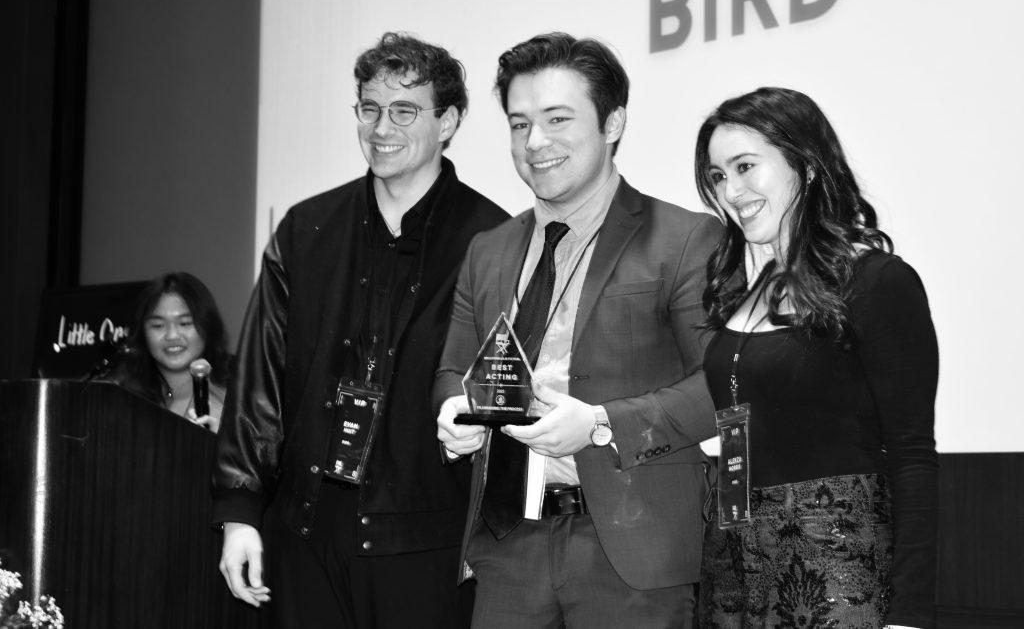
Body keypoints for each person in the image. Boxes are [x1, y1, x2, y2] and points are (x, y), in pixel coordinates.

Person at [211, 32, 508, 628]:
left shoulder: (493, 240)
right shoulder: (308, 229)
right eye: (369, 108)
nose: (381, 128)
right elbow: (259, 378)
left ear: (448, 121)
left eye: (404, 110)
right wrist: (240, 510)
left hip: (426, 541)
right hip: (305, 530)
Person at [434, 32, 719, 628]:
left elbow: (721, 389)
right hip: (508, 545)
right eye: (519, 124)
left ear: (613, 123)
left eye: (557, 119)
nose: (535, 143)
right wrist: (454, 415)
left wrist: (599, 425)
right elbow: (452, 372)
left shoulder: (686, 239)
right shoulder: (488, 251)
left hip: (630, 552)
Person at [694, 87, 938, 628]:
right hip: (732, 563)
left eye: (745, 166)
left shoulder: (876, 281)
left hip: (838, 568)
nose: (731, 190)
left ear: (804, 165)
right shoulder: (742, 293)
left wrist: (911, 613)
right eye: (717, 175)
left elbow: (912, 452)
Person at [110, 271, 229, 432]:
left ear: (208, 327)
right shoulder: (123, 398)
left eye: (185, 323)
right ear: (142, 333)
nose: (172, 335)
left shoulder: (235, 402)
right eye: (158, 326)